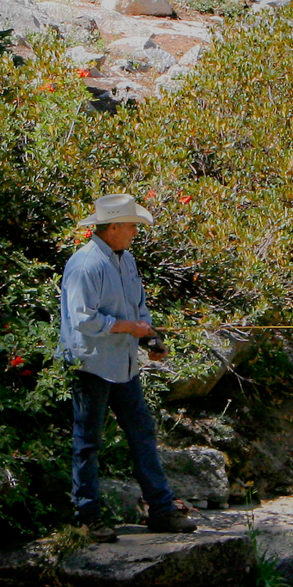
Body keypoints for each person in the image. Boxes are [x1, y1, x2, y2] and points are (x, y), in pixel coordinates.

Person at [59, 193, 198, 539]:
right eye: (132, 226)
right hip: (91, 365)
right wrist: (128, 328)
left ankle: (161, 510)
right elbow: (82, 319)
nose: (136, 232)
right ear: (115, 226)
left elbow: (137, 307)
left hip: (124, 365)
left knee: (142, 434)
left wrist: (149, 339)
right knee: (87, 442)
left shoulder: (127, 260)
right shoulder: (84, 264)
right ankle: (87, 518)